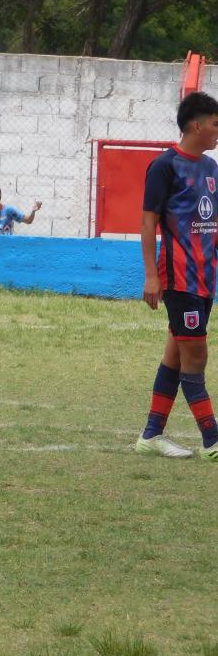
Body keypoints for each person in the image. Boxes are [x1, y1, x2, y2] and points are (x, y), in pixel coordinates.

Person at [135, 90, 218, 460]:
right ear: (196, 125)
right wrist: (152, 276)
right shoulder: (164, 166)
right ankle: (212, 441)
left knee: (176, 356)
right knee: (195, 357)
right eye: (215, 124)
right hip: (178, 279)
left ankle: (151, 436)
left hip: (204, 279)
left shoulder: (212, 169)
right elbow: (148, 221)